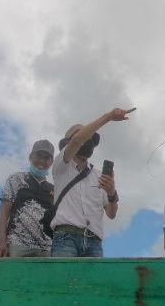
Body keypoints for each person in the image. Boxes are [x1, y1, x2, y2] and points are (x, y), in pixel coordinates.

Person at [50, 108, 131, 257]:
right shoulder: (61, 166)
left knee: (95, 281)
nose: (88, 141)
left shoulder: (99, 175)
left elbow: (111, 214)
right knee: (64, 280)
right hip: (66, 237)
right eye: (85, 136)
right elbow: (77, 140)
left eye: (91, 139)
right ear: (68, 144)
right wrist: (109, 116)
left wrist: (111, 192)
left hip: (94, 241)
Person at [0, 140, 56, 258]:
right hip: (17, 244)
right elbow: (3, 214)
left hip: (47, 248)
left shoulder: (54, 189)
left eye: (46, 157)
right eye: (38, 156)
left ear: (52, 161)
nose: (42, 160)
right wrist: (1, 243)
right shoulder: (16, 179)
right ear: (30, 157)